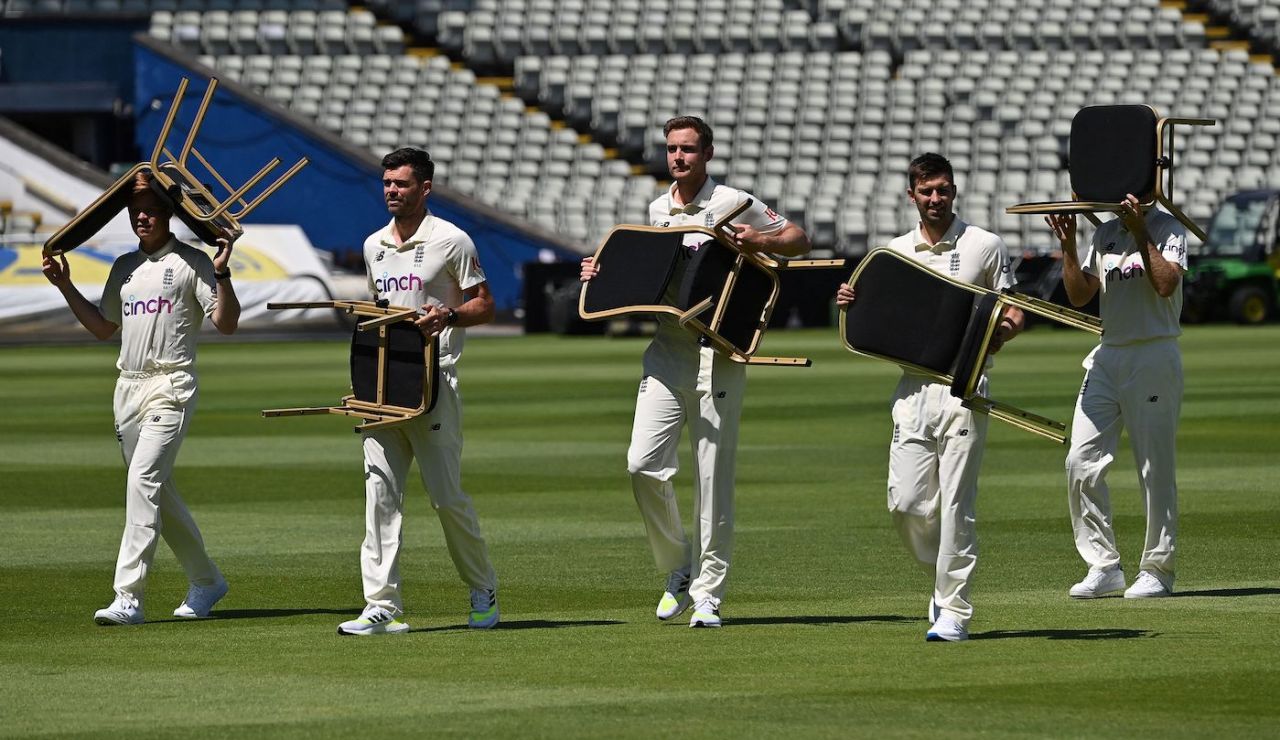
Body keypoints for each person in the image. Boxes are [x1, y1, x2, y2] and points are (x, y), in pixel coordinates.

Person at [580, 116, 810, 628]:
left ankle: (709, 592)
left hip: (719, 353)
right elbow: (644, 278)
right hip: (667, 350)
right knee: (641, 465)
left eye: (687, 149)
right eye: (671, 149)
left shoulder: (733, 201)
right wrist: (599, 272)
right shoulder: (656, 209)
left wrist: (762, 241)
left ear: (706, 154)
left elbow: (799, 238)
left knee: (712, 480)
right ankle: (677, 568)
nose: (678, 158)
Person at [836, 153, 1023, 642]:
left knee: (958, 503)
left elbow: (1013, 309)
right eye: (927, 191)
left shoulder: (985, 244)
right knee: (907, 505)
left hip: (964, 386)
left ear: (954, 190)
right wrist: (853, 305)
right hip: (913, 388)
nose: (936, 199)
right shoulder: (894, 253)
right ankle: (942, 584)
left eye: (943, 189)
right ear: (911, 195)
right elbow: (874, 320)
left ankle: (955, 609)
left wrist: (1003, 329)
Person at [42, 170, 239, 626]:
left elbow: (226, 323)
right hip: (127, 387)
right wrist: (64, 285)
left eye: (150, 211)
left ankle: (127, 596)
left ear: (168, 214)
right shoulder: (123, 268)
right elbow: (102, 328)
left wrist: (223, 271)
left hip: (171, 384)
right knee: (156, 491)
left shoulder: (193, 262)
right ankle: (208, 580)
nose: (142, 218)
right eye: (136, 213)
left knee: (143, 481)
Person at [337, 147, 500, 636]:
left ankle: (482, 589)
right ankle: (381, 606)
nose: (391, 190)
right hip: (385, 384)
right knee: (380, 496)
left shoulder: (452, 240)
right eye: (387, 183)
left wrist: (448, 314)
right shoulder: (373, 245)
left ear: (424, 188)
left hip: (435, 381)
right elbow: (377, 311)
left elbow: (485, 305)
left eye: (402, 184)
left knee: (446, 498)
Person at [1046, 193, 1186, 599]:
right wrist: (1070, 246)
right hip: (1108, 354)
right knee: (1080, 460)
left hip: (1154, 351)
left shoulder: (1169, 227)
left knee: (1153, 465)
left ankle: (1159, 569)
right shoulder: (1104, 233)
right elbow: (1078, 295)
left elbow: (1165, 284)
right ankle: (1103, 565)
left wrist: (1142, 234)